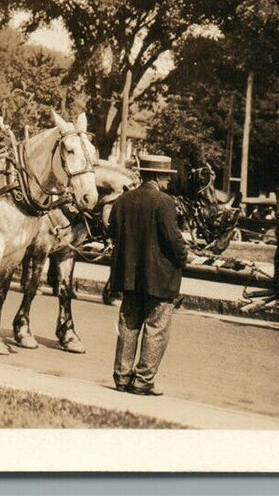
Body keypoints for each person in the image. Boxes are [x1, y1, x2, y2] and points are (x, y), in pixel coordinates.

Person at [107, 152, 187, 396]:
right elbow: (173, 240)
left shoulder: (122, 200)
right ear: (160, 177)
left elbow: (112, 232)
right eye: (167, 176)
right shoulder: (165, 202)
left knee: (128, 324)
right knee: (156, 328)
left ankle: (121, 377)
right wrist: (185, 254)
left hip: (129, 277)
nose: (169, 181)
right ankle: (143, 381)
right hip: (159, 279)